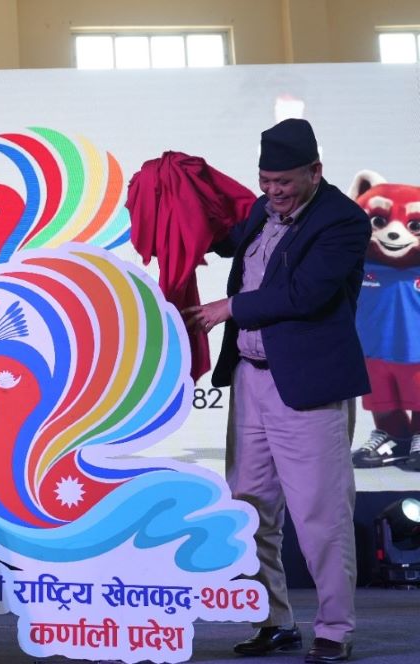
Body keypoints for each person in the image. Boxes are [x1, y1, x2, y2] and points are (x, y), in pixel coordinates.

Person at [183, 118, 368, 664]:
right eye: (265, 181)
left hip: (308, 387)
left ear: (315, 171)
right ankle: (274, 620)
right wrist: (179, 203)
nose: (273, 191)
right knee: (249, 508)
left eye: (283, 181)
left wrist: (229, 307)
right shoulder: (264, 211)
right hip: (251, 379)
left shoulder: (344, 221)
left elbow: (305, 294)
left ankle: (334, 628)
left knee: (320, 515)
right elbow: (227, 241)